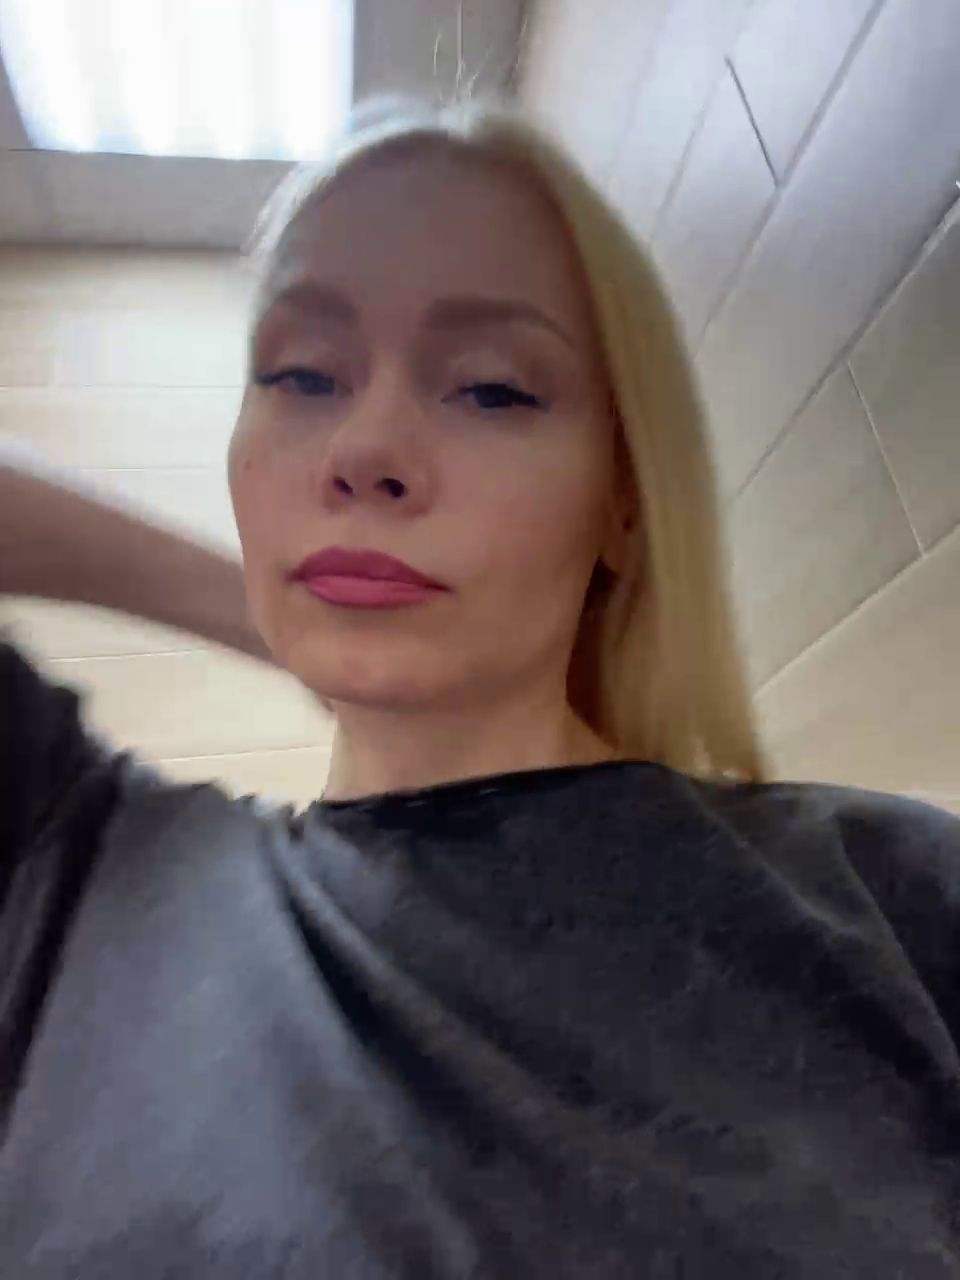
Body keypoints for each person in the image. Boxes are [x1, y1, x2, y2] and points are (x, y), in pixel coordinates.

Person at [1, 97, 959, 1278]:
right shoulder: (78, 884)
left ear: (622, 505)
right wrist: (263, 611)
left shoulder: (891, 891)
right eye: (301, 374)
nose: (366, 447)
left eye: (493, 388)